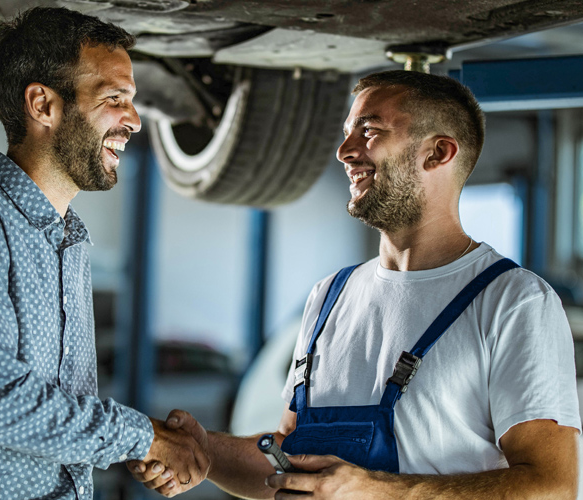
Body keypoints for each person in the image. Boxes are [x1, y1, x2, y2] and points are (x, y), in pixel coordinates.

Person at [129, 70, 581, 499]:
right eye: (347, 132)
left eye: (368, 130)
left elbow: (553, 486)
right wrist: (200, 450)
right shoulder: (330, 295)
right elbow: (289, 458)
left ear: (438, 153)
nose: (344, 151)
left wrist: (377, 493)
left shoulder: (512, 300)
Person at [0, 7, 208, 499]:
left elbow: (48, 419)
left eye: (132, 101)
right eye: (114, 98)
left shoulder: (68, 242)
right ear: (43, 105)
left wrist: (143, 445)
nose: (135, 121)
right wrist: (143, 439)